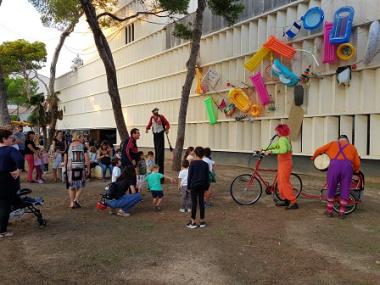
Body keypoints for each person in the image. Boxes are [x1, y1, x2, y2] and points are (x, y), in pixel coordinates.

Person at [312, 135, 361, 218]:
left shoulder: (332, 144)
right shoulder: (352, 147)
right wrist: (356, 169)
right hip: (347, 168)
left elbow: (318, 150)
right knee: (345, 188)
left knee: (331, 187)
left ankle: (329, 211)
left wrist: (314, 158)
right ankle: (342, 212)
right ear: (347, 141)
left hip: (334, 167)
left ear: (338, 140)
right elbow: (357, 163)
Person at [264, 124, 298, 210]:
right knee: (281, 182)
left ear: (280, 131)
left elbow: (284, 150)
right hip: (283, 163)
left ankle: (293, 202)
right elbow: (274, 145)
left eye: (277, 131)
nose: (276, 132)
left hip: (285, 164)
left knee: (284, 183)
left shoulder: (283, 139)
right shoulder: (283, 139)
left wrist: (271, 151)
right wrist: (263, 149)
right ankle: (286, 199)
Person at [0, 129, 23, 238]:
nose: (12, 140)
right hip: (6, 180)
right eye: (10, 138)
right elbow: (19, 159)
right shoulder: (10, 150)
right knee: (5, 206)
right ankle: (2, 231)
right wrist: (19, 169)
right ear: (4, 139)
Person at [63, 132, 90, 209]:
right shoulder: (83, 146)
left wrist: (65, 168)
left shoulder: (69, 145)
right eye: (82, 137)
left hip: (70, 168)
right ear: (78, 137)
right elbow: (87, 159)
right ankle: (76, 199)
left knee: (71, 186)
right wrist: (88, 168)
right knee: (81, 184)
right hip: (80, 167)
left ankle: (72, 203)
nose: (83, 139)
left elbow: (65, 158)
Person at [187, 147, 210, 229]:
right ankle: (202, 221)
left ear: (195, 154)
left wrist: (188, 186)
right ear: (203, 154)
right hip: (202, 185)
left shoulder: (192, 163)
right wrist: (207, 188)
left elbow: (190, 176)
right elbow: (207, 177)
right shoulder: (205, 164)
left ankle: (192, 221)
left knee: (194, 203)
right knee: (201, 203)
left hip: (194, 186)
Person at [145, 108, 170, 175]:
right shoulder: (152, 118)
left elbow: (167, 123)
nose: (155, 115)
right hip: (155, 134)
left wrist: (167, 129)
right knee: (156, 150)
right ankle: (156, 167)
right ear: (153, 113)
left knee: (160, 152)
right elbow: (150, 124)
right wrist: (147, 128)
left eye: (156, 113)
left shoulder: (161, 117)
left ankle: (160, 171)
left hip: (160, 134)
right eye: (154, 113)